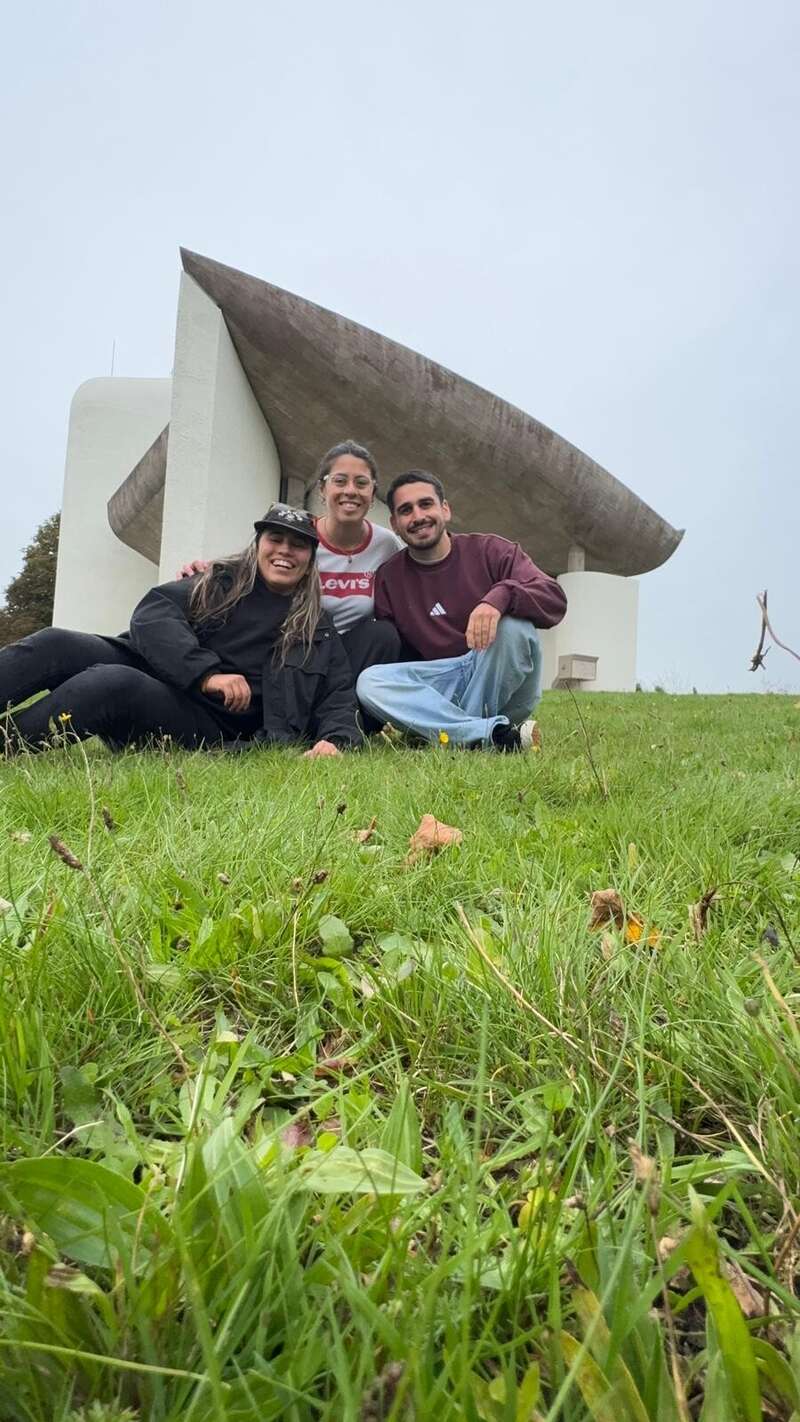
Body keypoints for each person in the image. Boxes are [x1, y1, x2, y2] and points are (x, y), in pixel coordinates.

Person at [0, 506, 360, 757]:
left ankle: (6, 746)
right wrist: (205, 673)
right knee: (56, 643)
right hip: (167, 672)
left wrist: (335, 741)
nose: (285, 551)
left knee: (112, 682)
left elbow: (338, 696)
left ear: (311, 558)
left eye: (298, 545)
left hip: (210, 721)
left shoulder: (317, 628)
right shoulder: (220, 581)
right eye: (275, 539)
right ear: (258, 544)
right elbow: (154, 614)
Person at [356, 471, 568, 751]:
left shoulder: (491, 551)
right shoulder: (389, 577)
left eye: (426, 504)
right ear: (395, 524)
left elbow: (555, 599)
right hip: (443, 683)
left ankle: (460, 732)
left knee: (514, 627)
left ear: (445, 509)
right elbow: (400, 655)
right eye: (406, 510)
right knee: (369, 681)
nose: (418, 516)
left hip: (501, 680)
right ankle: (489, 736)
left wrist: (500, 598)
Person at [179, 440, 403, 680]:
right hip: (292, 647)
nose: (350, 490)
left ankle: (350, 703)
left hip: (347, 654)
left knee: (383, 634)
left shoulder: (386, 545)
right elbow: (250, 566)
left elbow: (411, 580)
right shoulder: (297, 537)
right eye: (339, 481)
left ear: (372, 493)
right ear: (322, 489)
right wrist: (207, 572)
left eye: (361, 483)